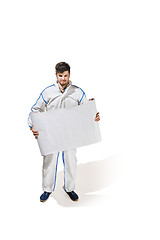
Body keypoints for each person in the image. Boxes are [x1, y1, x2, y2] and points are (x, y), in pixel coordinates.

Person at [28, 62, 100, 202]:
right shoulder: (47, 92)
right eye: (60, 75)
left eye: (65, 75)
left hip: (70, 134)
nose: (63, 78)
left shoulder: (77, 92)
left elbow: (87, 110)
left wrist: (94, 116)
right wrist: (32, 127)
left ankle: (70, 188)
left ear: (69, 75)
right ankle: (47, 189)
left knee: (70, 160)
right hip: (51, 134)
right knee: (49, 161)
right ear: (56, 75)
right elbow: (35, 110)